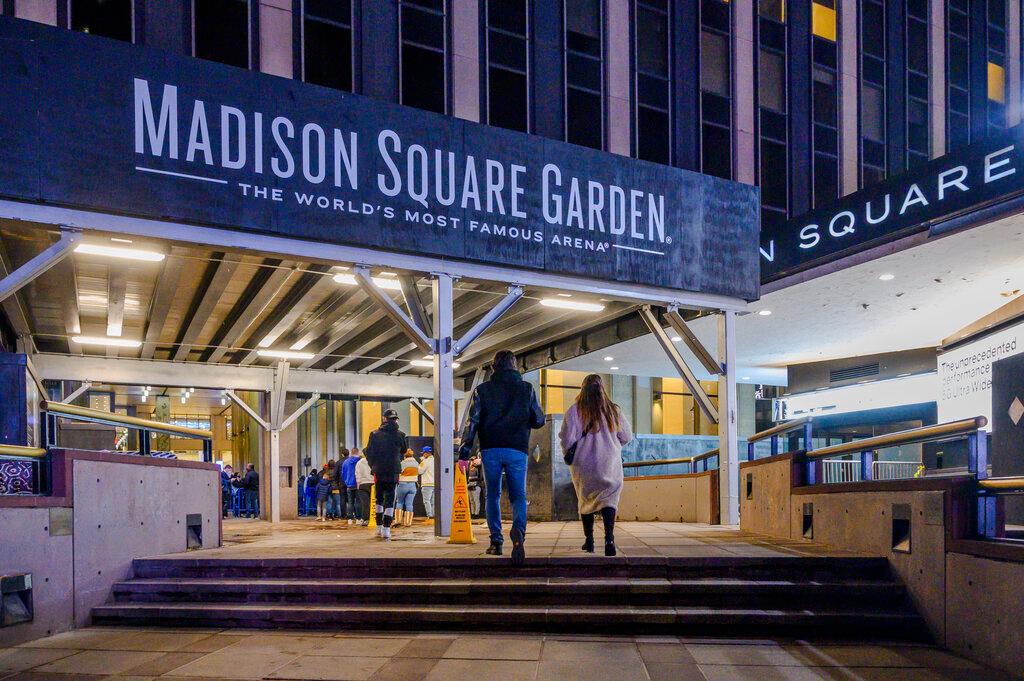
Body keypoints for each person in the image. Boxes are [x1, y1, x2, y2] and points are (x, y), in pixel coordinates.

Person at [459, 349, 545, 566]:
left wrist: (463, 453)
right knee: (518, 495)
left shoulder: (482, 390)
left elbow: (473, 423)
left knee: (493, 496)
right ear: (515, 366)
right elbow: (539, 420)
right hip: (517, 449)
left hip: (491, 449)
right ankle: (519, 533)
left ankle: (496, 542)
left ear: (493, 367)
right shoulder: (527, 389)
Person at [559, 374, 633, 556]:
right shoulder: (613, 410)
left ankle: (589, 541)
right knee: (609, 499)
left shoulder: (574, 410)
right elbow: (627, 436)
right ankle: (609, 539)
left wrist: (569, 452)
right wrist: (611, 445)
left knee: (586, 500)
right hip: (609, 462)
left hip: (584, 465)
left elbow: (567, 438)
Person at [364, 409, 408, 541]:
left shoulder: (374, 434)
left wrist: (373, 465)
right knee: (390, 499)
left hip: (379, 470)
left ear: (384, 419)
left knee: (379, 498)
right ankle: (387, 529)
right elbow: (404, 450)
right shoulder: (400, 435)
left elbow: (369, 452)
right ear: (396, 419)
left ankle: (378, 526)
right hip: (393, 470)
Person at [395, 449, 419, 527]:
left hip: (403, 484)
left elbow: (398, 472)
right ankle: (408, 522)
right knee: (409, 504)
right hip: (413, 485)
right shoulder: (416, 463)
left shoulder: (403, 463)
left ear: (405, 455)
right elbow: (420, 472)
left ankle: (398, 520)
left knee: (399, 502)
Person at [341, 447, 361, 525]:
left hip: (349, 484)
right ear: (357, 452)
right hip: (358, 484)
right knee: (358, 502)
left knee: (350, 502)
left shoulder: (346, 462)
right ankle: (358, 518)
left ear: (351, 452)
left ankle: (350, 518)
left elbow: (343, 474)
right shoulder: (360, 461)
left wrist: (346, 481)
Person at [355, 451, 374, 526]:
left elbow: (357, 473)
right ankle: (376, 519)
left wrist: (358, 483)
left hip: (363, 484)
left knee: (365, 503)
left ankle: (366, 520)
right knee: (375, 503)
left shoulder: (359, 462)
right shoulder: (374, 461)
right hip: (373, 483)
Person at [417, 446, 435, 520]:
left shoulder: (425, 461)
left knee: (426, 501)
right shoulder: (435, 460)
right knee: (433, 501)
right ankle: (434, 515)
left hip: (427, 483)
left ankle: (429, 516)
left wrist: (421, 462)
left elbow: (419, 471)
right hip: (434, 483)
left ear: (426, 453)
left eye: (423, 453)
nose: (423, 455)